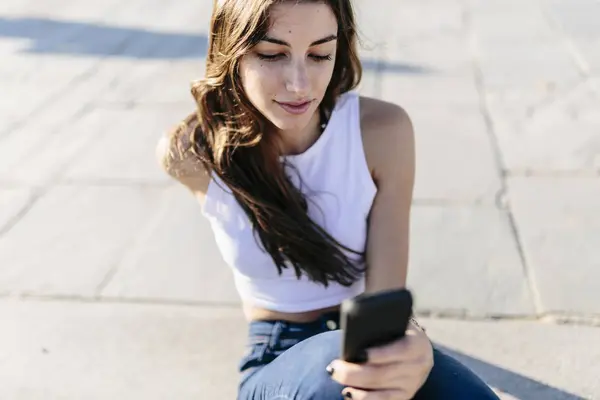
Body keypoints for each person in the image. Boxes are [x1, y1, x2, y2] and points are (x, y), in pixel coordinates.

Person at [156, 0, 500, 398]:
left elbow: (386, 293)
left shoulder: (382, 133)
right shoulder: (192, 153)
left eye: (320, 54)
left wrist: (409, 344)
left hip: (365, 332)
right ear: (231, 50)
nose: (300, 84)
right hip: (277, 354)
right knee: (330, 378)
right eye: (272, 55)